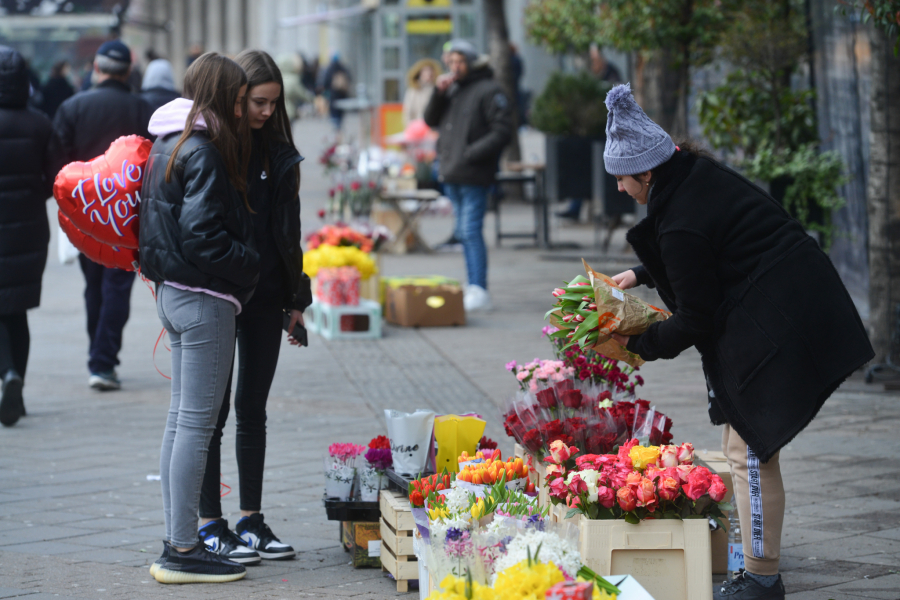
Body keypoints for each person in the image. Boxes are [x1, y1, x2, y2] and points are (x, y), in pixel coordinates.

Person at [602, 83, 873, 600]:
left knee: (751, 451)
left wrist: (635, 344)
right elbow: (707, 252)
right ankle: (754, 567)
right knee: (740, 445)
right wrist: (639, 275)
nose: (619, 188)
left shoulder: (680, 218)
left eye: (621, 177)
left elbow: (696, 317)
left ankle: (762, 579)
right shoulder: (694, 177)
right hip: (785, 301)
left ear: (647, 171)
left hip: (778, 316)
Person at [139, 52, 258, 584]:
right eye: (238, 100)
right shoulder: (204, 151)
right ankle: (183, 547)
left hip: (172, 292)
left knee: (180, 421)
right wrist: (250, 267)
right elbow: (204, 236)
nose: (241, 111)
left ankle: (177, 541)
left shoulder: (167, 140)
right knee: (195, 425)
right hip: (204, 297)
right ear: (220, 96)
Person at [197, 49, 312, 565]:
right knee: (210, 413)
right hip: (221, 294)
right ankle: (207, 523)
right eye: (257, 102)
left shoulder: (279, 153)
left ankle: (250, 519)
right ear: (236, 98)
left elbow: (288, 234)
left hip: (266, 296)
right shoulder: (214, 147)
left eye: (273, 103)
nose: (265, 111)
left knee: (252, 410)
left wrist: (296, 300)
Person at [50, 40, 152, 391]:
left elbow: (57, 162)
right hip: (128, 218)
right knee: (117, 286)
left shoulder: (72, 107)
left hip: (85, 216)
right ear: (127, 71)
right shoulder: (143, 108)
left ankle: (98, 353)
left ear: (96, 68)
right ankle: (103, 360)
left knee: (93, 285)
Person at [424, 40, 512, 312]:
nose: (454, 67)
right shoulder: (452, 89)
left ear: (472, 62)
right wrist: (438, 94)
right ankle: (473, 285)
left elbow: (502, 131)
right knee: (463, 232)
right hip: (452, 173)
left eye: (459, 61)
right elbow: (430, 119)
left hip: (473, 173)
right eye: (450, 62)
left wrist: (471, 153)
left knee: (471, 231)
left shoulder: (489, 90)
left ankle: (479, 288)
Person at [0, 46, 55, 427]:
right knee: (16, 310)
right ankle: (16, 384)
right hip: (30, 229)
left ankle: (7, 375)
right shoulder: (40, 123)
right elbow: (55, 177)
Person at [557, 45, 623, 221]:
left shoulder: (612, 75)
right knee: (582, 171)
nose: (592, 65)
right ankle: (575, 208)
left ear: (601, 60)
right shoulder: (591, 77)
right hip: (592, 134)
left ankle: (610, 211)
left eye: (594, 61)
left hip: (608, 134)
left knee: (602, 174)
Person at [402, 58, 440, 126]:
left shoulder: (438, 89)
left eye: (431, 70)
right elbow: (408, 113)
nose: (429, 73)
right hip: (418, 127)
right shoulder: (413, 91)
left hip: (434, 127)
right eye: (425, 71)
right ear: (419, 73)